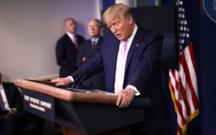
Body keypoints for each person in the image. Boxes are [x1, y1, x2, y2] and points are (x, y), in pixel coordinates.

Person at [51, 3, 167, 135]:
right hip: (116, 114)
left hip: (145, 116)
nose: (113, 30)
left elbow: (147, 66)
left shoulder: (151, 38)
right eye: (110, 26)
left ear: (129, 20)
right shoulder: (110, 40)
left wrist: (130, 89)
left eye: (116, 24)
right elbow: (95, 62)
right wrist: (70, 78)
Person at [0, 66, 44, 135]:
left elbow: (19, 100)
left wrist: (14, 109)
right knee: (11, 121)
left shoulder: (11, 86)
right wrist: (0, 115)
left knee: (35, 112)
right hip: (0, 118)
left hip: (15, 113)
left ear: (0, 75)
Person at [76, 18, 104, 90]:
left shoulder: (106, 43)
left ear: (100, 28)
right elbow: (79, 63)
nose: (92, 29)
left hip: (101, 82)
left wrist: (86, 59)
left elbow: (104, 63)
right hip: (86, 81)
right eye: (89, 26)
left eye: (94, 26)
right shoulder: (84, 44)